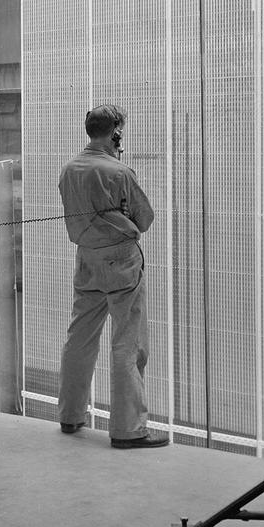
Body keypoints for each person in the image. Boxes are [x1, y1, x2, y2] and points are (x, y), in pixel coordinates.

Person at [56, 104, 167, 449]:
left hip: (87, 259)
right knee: (128, 342)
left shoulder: (69, 169)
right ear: (116, 131)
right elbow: (144, 219)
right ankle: (128, 430)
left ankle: (70, 415)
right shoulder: (119, 172)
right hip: (121, 261)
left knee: (80, 336)